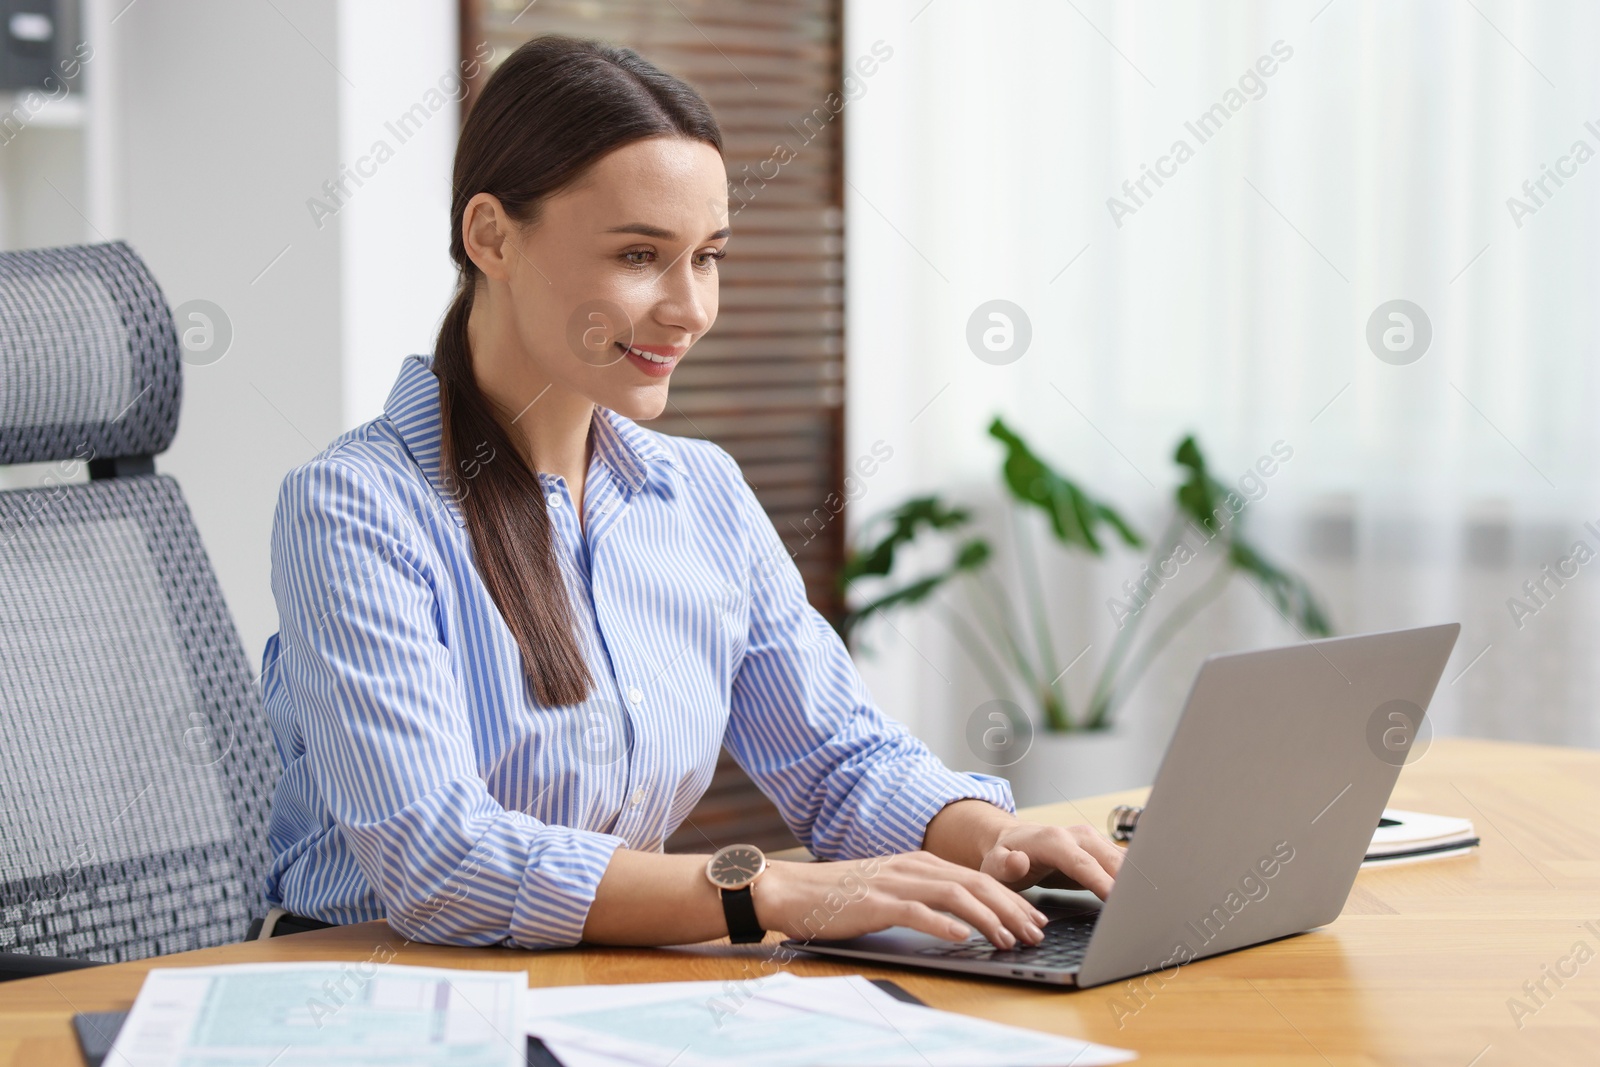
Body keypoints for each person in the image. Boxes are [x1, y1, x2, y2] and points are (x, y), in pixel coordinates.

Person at [258, 34, 1121, 952]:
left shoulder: (698, 493)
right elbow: (439, 862)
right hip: (378, 998)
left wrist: (996, 839)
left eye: (707, 256)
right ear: (491, 236)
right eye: (640, 255)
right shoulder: (355, 510)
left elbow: (837, 759)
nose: (691, 308)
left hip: (600, 988)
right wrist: (770, 891)